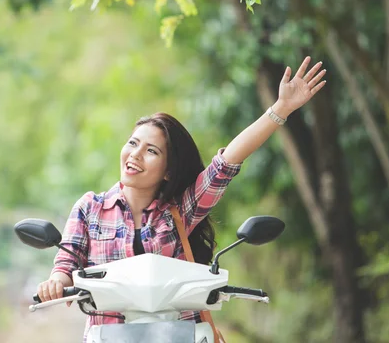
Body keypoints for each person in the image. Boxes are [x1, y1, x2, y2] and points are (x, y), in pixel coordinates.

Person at [37, 57, 327, 338]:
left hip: (177, 334)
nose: (135, 154)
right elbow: (67, 261)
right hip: (109, 336)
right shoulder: (90, 208)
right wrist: (56, 282)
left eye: (151, 151)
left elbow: (224, 165)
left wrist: (281, 108)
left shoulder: (178, 211)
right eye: (133, 143)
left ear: (168, 171)